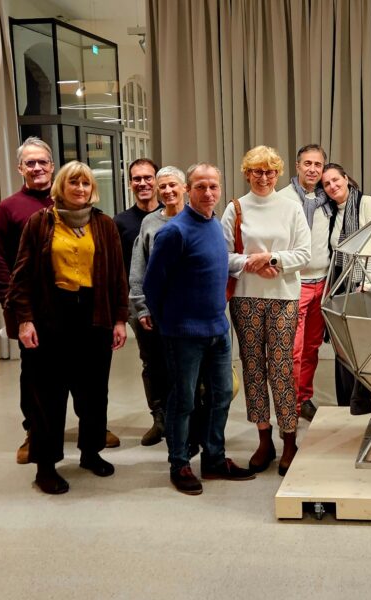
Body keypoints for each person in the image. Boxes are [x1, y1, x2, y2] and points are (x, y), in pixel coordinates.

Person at [7, 161, 129, 495]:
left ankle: (90, 453)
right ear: (61, 186)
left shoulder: (104, 224)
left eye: (86, 183)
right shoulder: (40, 222)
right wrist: (25, 320)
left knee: (93, 393)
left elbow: (117, 276)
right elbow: (21, 276)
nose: (80, 188)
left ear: (93, 189)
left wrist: (120, 319)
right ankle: (45, 466)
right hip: (51, 317)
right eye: (73, 182)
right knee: (48, 395)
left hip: (95, 316)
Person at [144, 163, 255, 495]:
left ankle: (214, 459)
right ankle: (179, 463)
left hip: (217, 330)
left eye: (213, 186)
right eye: (200, 186)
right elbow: (152, 285)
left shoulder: (214, 226)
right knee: (184, 400)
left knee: (222, 395)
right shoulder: (174, 232)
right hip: (183, 334)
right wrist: (169, 323)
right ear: (187, 190)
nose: (208, 193)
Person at [222, 147, 311, 476]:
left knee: (282, 368)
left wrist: (272, 259)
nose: (263, 177)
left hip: (283, 297)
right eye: (257, 171)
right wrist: (252, 262)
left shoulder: (291, 208)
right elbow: (223, 255)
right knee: (253, 367)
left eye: (269, 171)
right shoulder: (235, 209)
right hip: (245, 297)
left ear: (277, 174)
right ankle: (263, 438)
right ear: (247, 173)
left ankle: (289, 438)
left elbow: (304, 253)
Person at [0, 137, 54, 464]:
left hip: (71, 305)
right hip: (30, 307)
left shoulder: (69, 201)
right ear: (20, 169)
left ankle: (92, 427)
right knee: (34, 372)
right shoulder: (9, 208)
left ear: (52, 166)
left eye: (42, 161)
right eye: (30, 163)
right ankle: (34, 432)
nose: (37, 167)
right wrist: (11, 306)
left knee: (79, 370)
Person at [127, 166, 187, 446]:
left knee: (187, 368)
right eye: (163, 187)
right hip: (155, 311)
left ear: (185, 188)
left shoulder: (199, 217)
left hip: (188, 312)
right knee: (154, 364)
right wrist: (141, 307)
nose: (168, 191)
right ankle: (160, 419)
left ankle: (186, 423)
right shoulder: (149, 223)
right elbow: (138, 268)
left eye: (173, 185)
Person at [278, 144, 333, 422]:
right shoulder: (283, 199)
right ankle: (289, 403)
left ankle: (304, 398)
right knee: (293, 350)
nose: (312, 169)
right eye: (307, 164)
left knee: (311, 348)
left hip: (322, 283)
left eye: (318, 165)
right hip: (294, 283)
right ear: (297, 166)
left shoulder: (327, 199)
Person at [323, 162, 371, 414]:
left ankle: (362, 402)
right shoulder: (331, 213)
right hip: (340, 283)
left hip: (364, 283)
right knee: (343, 347)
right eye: (327, 184)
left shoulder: (365, 203)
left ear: (346, 178)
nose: (332, 186)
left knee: (363, 345)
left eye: (336, 180)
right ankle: (345, 402)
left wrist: (368, 282)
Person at [115, 158, 165, 446]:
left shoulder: (171, 214)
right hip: (139, 305)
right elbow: (118, 269)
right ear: (130, 183)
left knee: (179, 361)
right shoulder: (121, 222)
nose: (143, 183)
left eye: (148, 177)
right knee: (151, 362)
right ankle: (159, 419)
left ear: (157, 181)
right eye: (137, 178)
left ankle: (182, 418)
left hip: (172, 305)